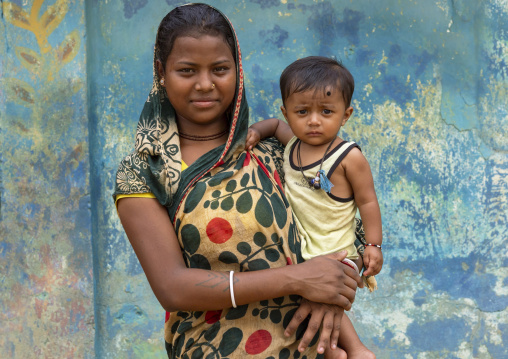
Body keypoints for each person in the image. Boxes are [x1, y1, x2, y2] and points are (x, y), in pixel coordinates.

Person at [114, 4, 364, 358]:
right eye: (187, 70)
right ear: (161, 71)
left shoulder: (275, 152)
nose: (205, 84)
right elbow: (173, 287)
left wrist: (334, 294)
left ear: (238, 69)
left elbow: (346, 225)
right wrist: (299, 279)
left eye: (219, 69)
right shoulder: (145, 172)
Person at [245, 56, 383, 358]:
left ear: (345, 115)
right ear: (287, 111)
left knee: (329, 296)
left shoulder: (349, 157)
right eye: (302, 111)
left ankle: (357, 350)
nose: (314, 120)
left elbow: (368, 201)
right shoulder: (292, 144)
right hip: (304, 246)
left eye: (326, 111)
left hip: (338, 248)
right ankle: (334, 351)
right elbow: (275, 126)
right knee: (303, 295)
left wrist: (373, 244)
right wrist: (257, 130)